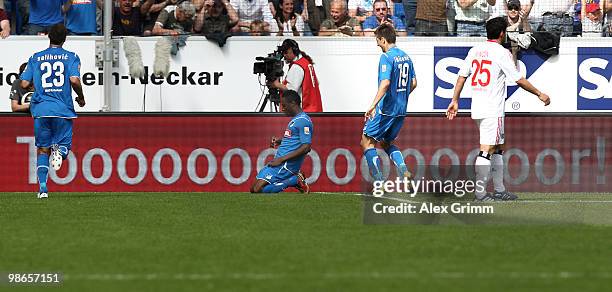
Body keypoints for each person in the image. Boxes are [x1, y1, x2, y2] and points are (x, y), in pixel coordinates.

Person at [445, 17, 550, 202]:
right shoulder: (501, 53)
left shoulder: (475, 50)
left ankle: (500, 190)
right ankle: (480, 194)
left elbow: (462, 76)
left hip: (477, 107)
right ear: (502, 33)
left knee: (498, 148)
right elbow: (519, 79)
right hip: (492, 109)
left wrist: (455, 100)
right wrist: (539, 93)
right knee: (486, 150)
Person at [20, 23, 86, 199]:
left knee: (42, 149)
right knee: (64, 146)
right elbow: (74, 80)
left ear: (49, 37)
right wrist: (81, 97)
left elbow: (24, 84)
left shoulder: (35, 57)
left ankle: (43, 189)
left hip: (41, 109)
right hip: (62, 109)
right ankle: (60, 151)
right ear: (65, 39)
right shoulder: (71, 57)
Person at [361, 23, 416, 187]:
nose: (377, 45)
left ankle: (379, 181)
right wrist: (401, 96)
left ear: (383, 40)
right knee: (386, 143)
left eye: (378, 41)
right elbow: (413, 83)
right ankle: (404, 170)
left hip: (386, 109)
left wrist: (372, 105)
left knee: (366, 141)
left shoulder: (386, 57)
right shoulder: (406, 57)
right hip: (401, 110)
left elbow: (385, 83)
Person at [250, 90, 312, 194]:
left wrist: (281, 159)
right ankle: (293, 180)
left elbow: (306, 147)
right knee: (253, 189)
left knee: (257, 190)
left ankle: (294, 180)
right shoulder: (296, 120)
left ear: (293, 103)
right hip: (279, 160)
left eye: (284, 105)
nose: (282, 108)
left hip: (285, 164)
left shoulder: (303, 121)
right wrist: (280, 140)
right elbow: (295, 139)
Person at [268, 39, 323, 112]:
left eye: (285, 52)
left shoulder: (297, 66)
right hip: (314, 108)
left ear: (291, 50)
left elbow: (291, 91)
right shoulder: (305, 63)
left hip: (305, 110)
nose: (284, 55)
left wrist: (276, 84)